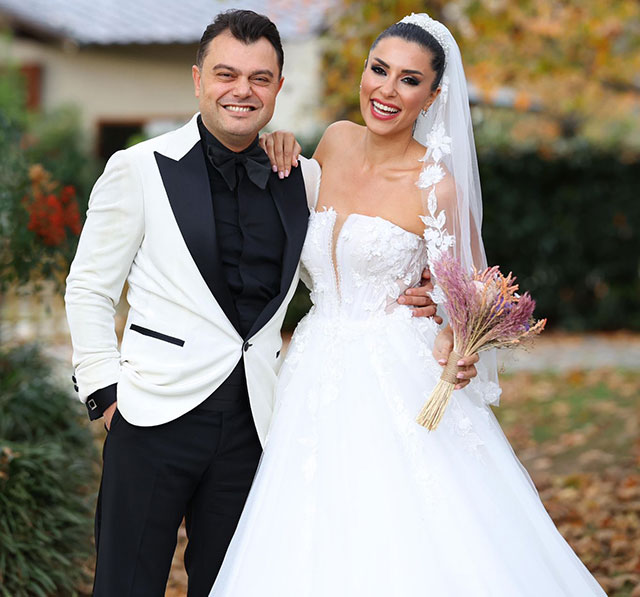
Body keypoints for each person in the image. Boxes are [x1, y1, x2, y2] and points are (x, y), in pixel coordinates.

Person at [208, 13, 607, 596]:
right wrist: (278, 139)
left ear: (433, 96)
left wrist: (454, 335)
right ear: (363, 73)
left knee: (405, 522)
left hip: (396, 369)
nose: (387, 90)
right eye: (380, 70)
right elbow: (293, 208)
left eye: (410, 80)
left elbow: (470, 294)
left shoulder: (435, 185)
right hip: (314, 361)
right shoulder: (335, 141)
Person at [64, 9, 457, 596]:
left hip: (259, 423)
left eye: (259, 78)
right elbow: (89, 287)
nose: (241, 91)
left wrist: (422, 294)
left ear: (278, 86)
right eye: (226, 74)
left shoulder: (303, 175)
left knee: (234, 585)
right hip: (151, 414)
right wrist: (106, 392)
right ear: (198, 79)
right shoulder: (138, 167)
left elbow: (345, 253)